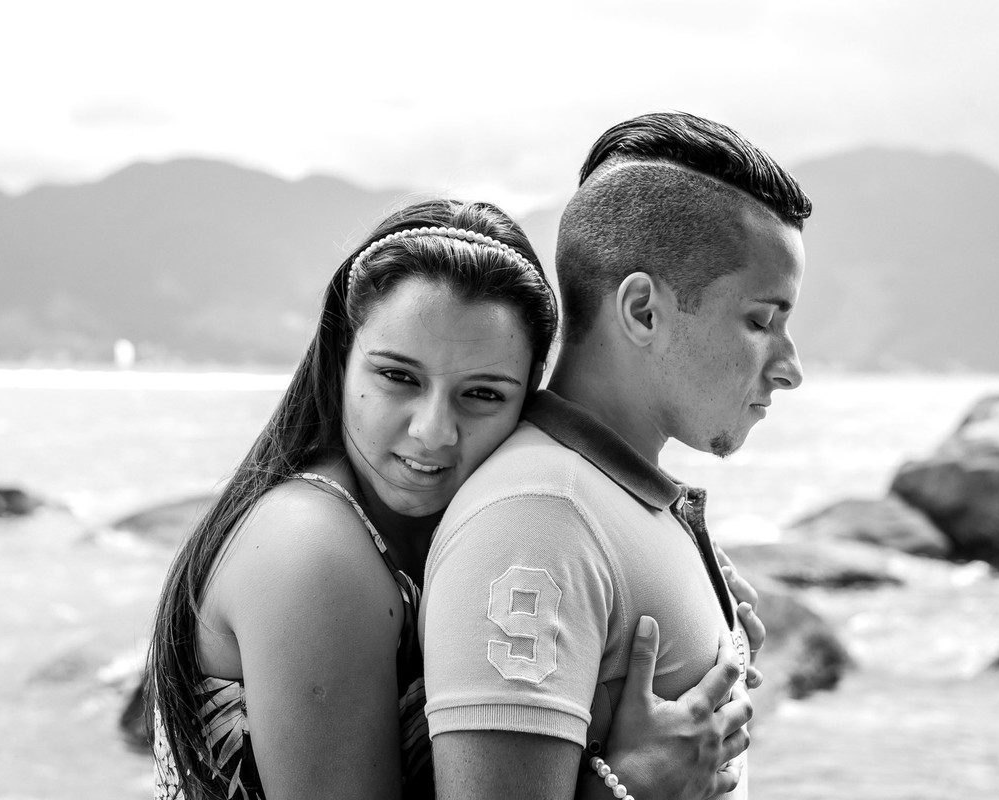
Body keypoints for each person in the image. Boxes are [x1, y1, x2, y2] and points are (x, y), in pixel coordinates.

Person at [146, 197, 761, 800]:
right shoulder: (311, 549)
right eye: (398, 377)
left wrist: (705, 627)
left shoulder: (464, 533)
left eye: (483, 394)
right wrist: (634, 786)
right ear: (340, 361)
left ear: (528, 399)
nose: (434, 431)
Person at [421, 110, 812, 800]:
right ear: (642, 311)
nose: (790, 368)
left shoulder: (606, 498)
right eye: (760, 320)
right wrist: (638, 787)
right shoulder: (538, 519)